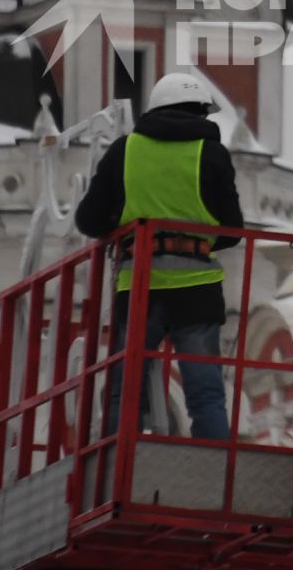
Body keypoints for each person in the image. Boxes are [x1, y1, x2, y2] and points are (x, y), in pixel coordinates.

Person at [75, 71, 243, 441]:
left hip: (138, 288)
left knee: (125, 391)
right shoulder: (211, 153)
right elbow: (232, 227)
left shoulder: (125, 150)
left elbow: (88, 219)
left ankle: (119, 466)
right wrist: (195, 242)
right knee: (206, 394)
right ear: (200, 112)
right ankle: (212, 471)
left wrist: (126, 233)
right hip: (197, 289)